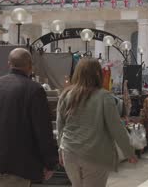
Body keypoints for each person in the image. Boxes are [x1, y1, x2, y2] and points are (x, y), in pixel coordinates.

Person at [0, 48, 58, 186]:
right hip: (19, 165)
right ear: (30, 66)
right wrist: (50, 162)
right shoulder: (35, 90)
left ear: (9, 64)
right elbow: (42, 130)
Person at [57, 58, 137, 187]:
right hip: (95, 153)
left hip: (69, 151)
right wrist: (129, 152)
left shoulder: (66, 95)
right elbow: (116, 127)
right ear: (98, 74)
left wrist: (60, 150)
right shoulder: (104, 97)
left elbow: (60, 126)